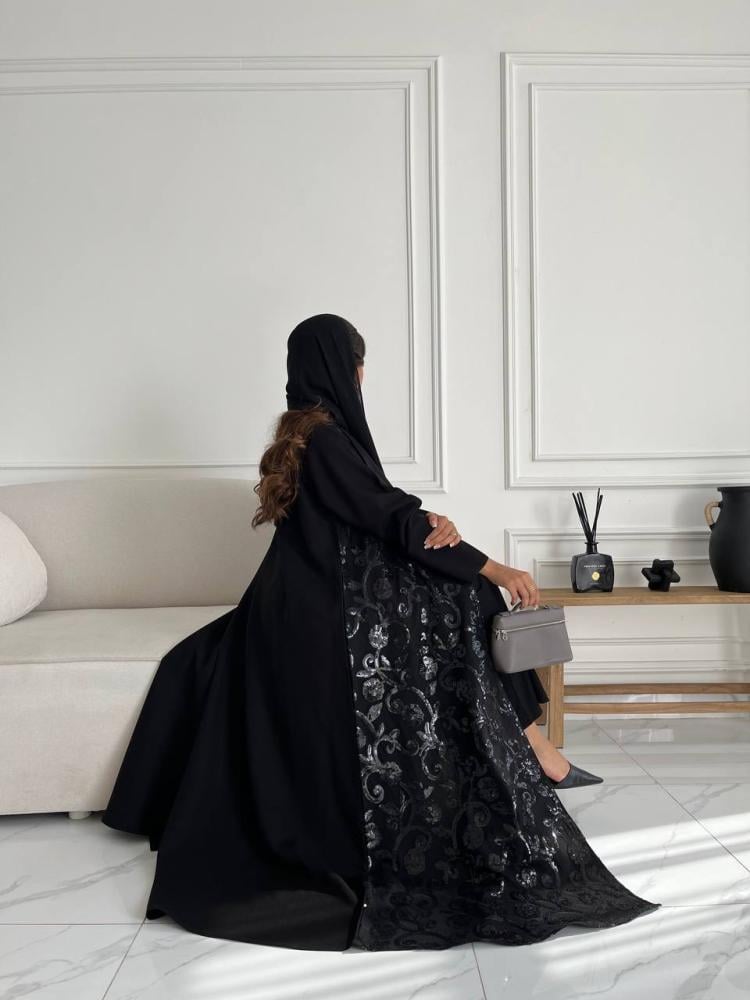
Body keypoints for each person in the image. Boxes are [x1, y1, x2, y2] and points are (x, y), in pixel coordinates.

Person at [101, 313, 660, 951]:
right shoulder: (325, 439)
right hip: (316, 611)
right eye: (359, 364)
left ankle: (535, 745)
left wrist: (430, 521)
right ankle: (537, 747)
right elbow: (385, 515)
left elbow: (377, 509)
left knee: (462, 589)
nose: (363, 377)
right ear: (344, 369)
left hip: (307, 597)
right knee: (472, 591)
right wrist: (493, 565)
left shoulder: (310, 434)